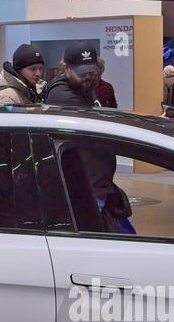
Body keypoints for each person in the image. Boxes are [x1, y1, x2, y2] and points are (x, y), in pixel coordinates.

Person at [43, 43, 133, 234]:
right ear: (66, 68)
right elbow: (101, 123)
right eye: (82, 73)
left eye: (91, 72)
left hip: (98, 187)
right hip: (84, 191)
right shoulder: (62, 96)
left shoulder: (83, 88)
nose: (88, 77)